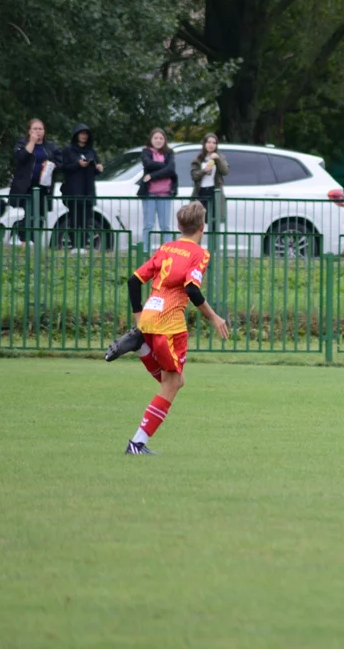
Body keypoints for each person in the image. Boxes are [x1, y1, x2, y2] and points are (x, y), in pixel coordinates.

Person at [105, 202, 230, 454]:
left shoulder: (167, 248)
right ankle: (137, 443)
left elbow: (134, 280)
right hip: (171, 325)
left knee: (175, 381)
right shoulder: (199, 254)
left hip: (150, 316)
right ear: (202, 228)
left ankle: (140, 346)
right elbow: (191, 289)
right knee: (171, 385)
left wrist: (139, 316)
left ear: (178, 226)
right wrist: (215, 317)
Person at [10, 119, 59, 245]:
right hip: (26, 186)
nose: (38, 131)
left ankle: (34, 240)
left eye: (40, 129)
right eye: (35, 129)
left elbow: (60, 161)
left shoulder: (50, 146)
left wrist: (53, 165)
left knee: (40, 214)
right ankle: (22, 238)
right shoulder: (22, 143)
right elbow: (22, 157)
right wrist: (31, 142)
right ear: (29, 131)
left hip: (43, 186)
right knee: (28, 213)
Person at [59, 123, 104, 250]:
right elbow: (63, 168)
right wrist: (77, 164)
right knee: (74, 219)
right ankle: (74, 246)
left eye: (86, 134)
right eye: (81, 133)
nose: (84, 136)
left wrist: (99, 168)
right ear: (76, 135)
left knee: (86, 220)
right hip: (73, 190)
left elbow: (95, 167)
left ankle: (83, 246)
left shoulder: (91, 151)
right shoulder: (68, 150)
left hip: (88, 189)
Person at [139, 128, 178, 252]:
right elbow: (148, 164)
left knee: (165, 225)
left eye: (161, 138)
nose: (158, 140)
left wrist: (152, 175)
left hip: (165, 193)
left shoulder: (169, 153)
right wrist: (165, 167)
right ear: (151, 139)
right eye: (156, 138)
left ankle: (167, 251)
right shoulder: (146, 152)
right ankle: (145, 250)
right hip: (150, 193)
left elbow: (171, 170)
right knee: (148, 224)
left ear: (165, 140)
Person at [190, 133, 229, 228]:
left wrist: (217, 160)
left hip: (214, 191)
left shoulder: (220, 157)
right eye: (208, 142)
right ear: (204, 144)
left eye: (214, 143)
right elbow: (194, 176)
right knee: (198, 223)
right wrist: (204, 171)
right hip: (201, 192)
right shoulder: (198, 159)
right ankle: (197, 243)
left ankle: (214, 243)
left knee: (214, 223)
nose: (211, 145)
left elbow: (225, 171)